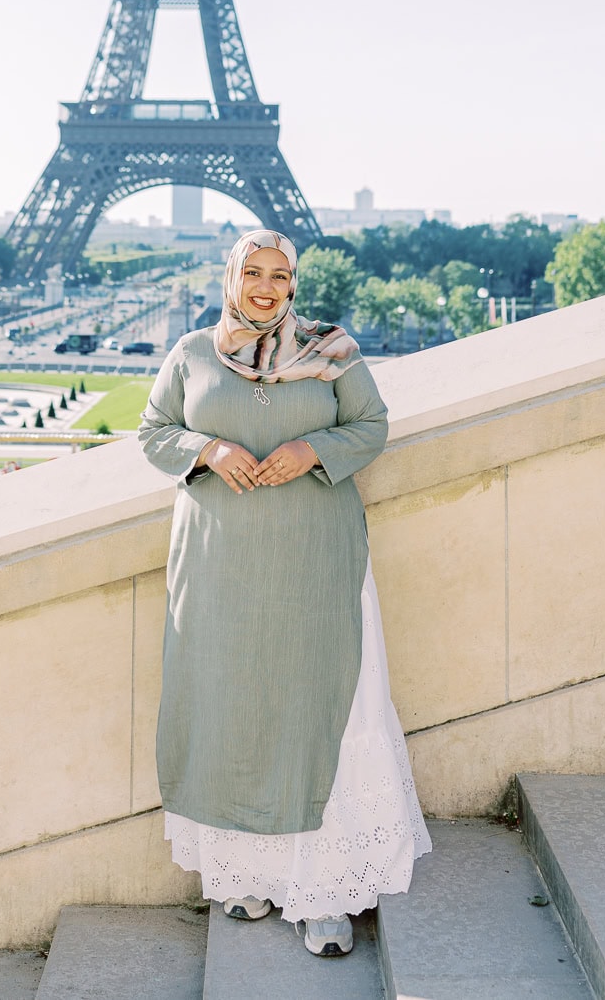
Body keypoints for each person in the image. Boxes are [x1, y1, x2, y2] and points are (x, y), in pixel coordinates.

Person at [139, 228, 431, 958]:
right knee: (234, 709)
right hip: (219, 570)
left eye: (280, 275)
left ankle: (325, 887)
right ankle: (249, 872)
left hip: (315, 564)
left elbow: (371, 424)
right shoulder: (191, 355)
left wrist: (314, 449)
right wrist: (208, 448)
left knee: (314, 706)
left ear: (295, 284)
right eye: (253, 272)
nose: (267, 287)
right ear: (229, 277)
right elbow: (153, 432)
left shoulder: (332, 351)